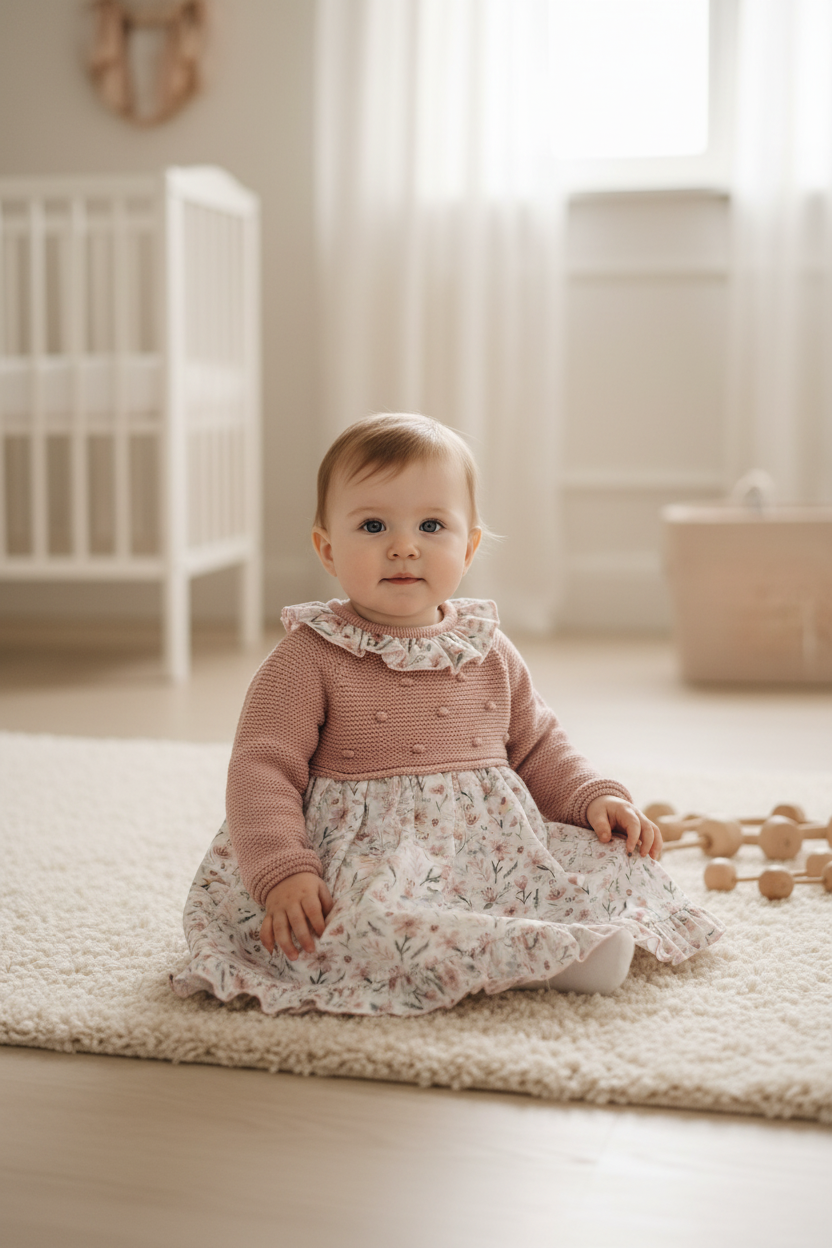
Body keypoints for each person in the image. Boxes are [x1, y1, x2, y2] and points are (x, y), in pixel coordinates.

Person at [170, 413, 723, 1015]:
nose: (404, 545)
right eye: (373, 524)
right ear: (328, 549)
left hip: (489, 847)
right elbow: (261, 770)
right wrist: (282, 870)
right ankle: (549, 958)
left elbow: (537, 744)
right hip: (370, 860)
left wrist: (593, 796)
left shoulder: (486, 647)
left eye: (431, 525)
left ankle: (553, 941)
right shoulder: (308, 657)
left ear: (469, 546)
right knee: (366, 927)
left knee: (611, 864)